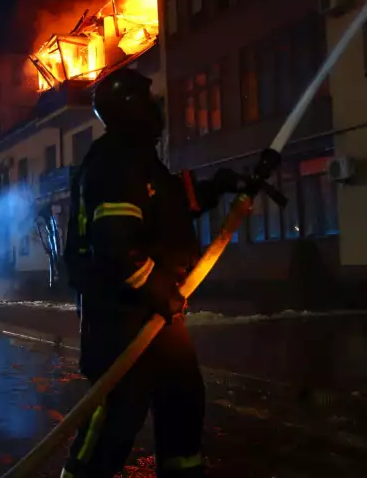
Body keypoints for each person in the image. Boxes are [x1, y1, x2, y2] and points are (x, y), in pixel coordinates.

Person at [61, 68, 237, 478]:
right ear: (129, 108)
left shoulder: (140, 162)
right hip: (119, 317)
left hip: (156, 311)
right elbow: (116, 247)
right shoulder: (115, 162)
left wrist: (219, 188)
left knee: (182, 396)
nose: (157, 108)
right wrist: (158, 288)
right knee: (118, 408)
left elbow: (169, 208)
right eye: (147, 99)